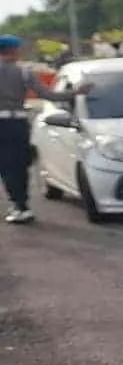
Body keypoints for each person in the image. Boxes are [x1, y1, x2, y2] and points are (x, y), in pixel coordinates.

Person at [0, 35, 92, 224]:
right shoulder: (24, 73)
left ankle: (17, 206)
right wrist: (76, 92)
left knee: (6, 166)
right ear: (13, 50)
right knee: (20, 164)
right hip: (18, 123)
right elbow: (48, 95)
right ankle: (22, 204)